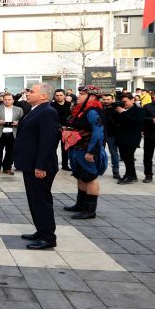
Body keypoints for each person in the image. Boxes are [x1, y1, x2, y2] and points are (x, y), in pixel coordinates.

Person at [14, 83, 61, 250]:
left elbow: (48, 142)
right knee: (35, 201)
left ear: (44, 96)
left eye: (31, 91)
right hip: (30, 164)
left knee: (41, 202)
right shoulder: (35, 110)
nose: (27, 93)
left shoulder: (48, 112)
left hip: (40, 166)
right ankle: (41, 231)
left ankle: (48, 237)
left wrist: (40, 166)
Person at [62, 86, 108, 219]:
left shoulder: (93, 111)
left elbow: (98, 132)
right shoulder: (82, 110)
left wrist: (92, 152)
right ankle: (80, 204)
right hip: (76, 148)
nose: (78, 96)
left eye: (82, 94)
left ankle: (90, 210)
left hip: (86, 150)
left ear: (92, 97)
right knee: (80, 176)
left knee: (90, 178)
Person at [111, 92, 146, 184]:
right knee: (124, 156)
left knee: (128, 157)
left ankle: (129, 176)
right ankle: (133, 175)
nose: (124, 103)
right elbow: (116, 121)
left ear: (132, 100)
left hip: (132, 137)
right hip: (121, 136)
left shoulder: (139, 110)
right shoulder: (120, 110)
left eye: (125, 101)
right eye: (122, 101)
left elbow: (136, 122)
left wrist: (123, 113)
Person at [0, 92, 23, 175]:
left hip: (13, 133)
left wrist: (18, 122)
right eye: (5, 99)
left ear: (13, 100)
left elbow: (23, 121)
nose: (7, 101)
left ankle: (7, 167)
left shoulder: (19, 109)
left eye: (9, 99)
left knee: (11, 151)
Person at [50, 89, 73, 171]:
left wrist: (68, 127)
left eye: (60, 95)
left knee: (65, 149)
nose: (59, 97)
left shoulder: (69, 105)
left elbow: (72, 117)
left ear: (64, 96)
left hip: (66, 130)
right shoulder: (51, 105)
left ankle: (65, 165)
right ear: (54, 96)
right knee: (53, 148)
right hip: (55, 130)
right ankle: (53, 164)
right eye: (57, 95)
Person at [101, 93, 121, 180]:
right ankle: (98, 168)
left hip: (112, 133)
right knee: (97, 151)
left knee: (114, 152)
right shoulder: (99, 107)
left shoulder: (117, 108)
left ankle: (116, 171)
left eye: (108, 99)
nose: (106, 101)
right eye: (104, 99)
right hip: (100, 133)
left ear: (112, 99)